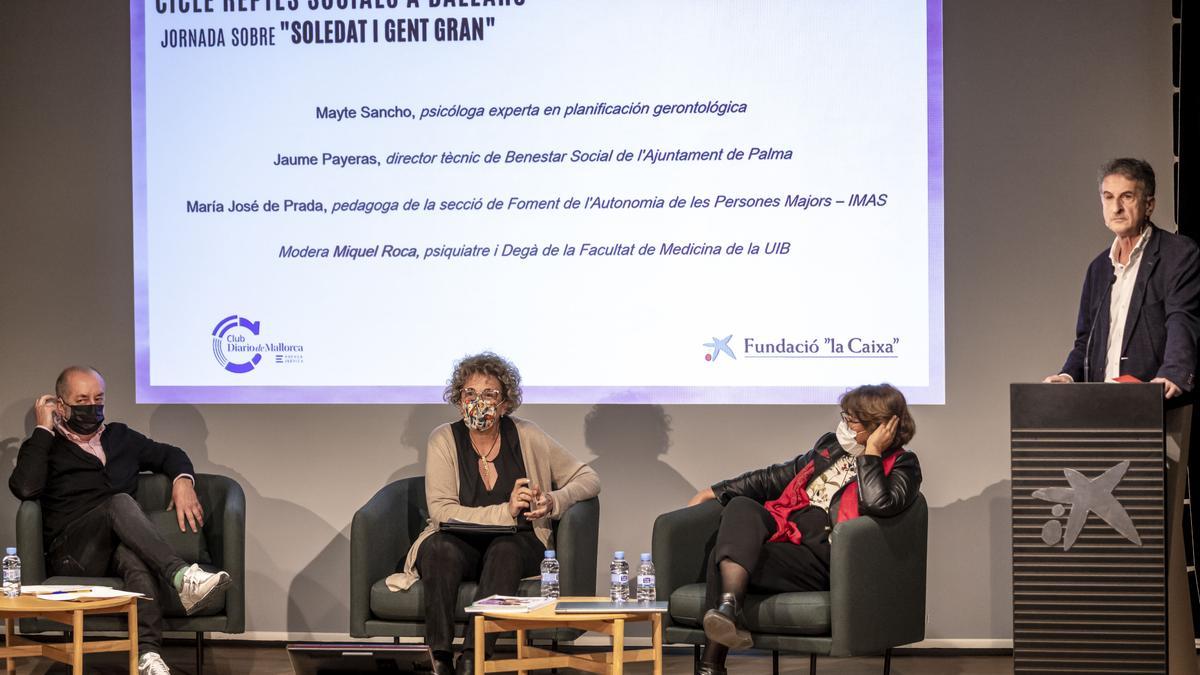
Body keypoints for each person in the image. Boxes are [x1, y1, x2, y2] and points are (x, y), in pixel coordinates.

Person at [386, 353, 601, 675]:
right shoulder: (444, 438)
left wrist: (554, 501)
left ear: (505, 403)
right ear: (459, 400)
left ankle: (474, 657)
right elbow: (442, 512)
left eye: (489, 395)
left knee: (504, 550)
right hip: (458, 540)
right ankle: (439, 659)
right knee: (439, 548)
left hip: (520, 541)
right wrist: (507, 510)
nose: (478, 403)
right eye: (469, 394)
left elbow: (588, 479)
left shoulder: (527, 435)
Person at [8, 366, 232, 675]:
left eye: (98, 399)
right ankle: (181, 576)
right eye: (82, 400)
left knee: (133, 556)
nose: (92, 407)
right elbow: (25, 487)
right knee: (119, 501)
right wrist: (43, 429)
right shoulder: (49, 446)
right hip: (74, 555)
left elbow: (171, 454)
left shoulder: (120, 437)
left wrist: (183, 481)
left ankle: (149, 655)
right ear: (61, 405)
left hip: (114, 549)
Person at [686, 384, 922, 675]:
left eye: (852, 421)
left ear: (881, 426)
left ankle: (711, 664)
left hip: (827, 556)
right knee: (741, 509)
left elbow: (879, 504)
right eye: (844, 416)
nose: (844, 426)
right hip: (787, 537)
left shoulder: (902, 465)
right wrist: (715, 491)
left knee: (725, 558)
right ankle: (728, 609)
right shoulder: (831, 449)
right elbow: (775, 476)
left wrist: (871, 453)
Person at [1044, 158, 1200, 397]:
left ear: (1149, 205)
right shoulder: (1098, 269)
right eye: (1108, 197)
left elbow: (1182, 318)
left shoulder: (1177, 255)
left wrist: (1173, 372)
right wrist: (1068, 375)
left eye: (1126, 197)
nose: (1116, 207)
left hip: (1156, 402)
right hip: (1101, 405)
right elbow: (1086, 339)